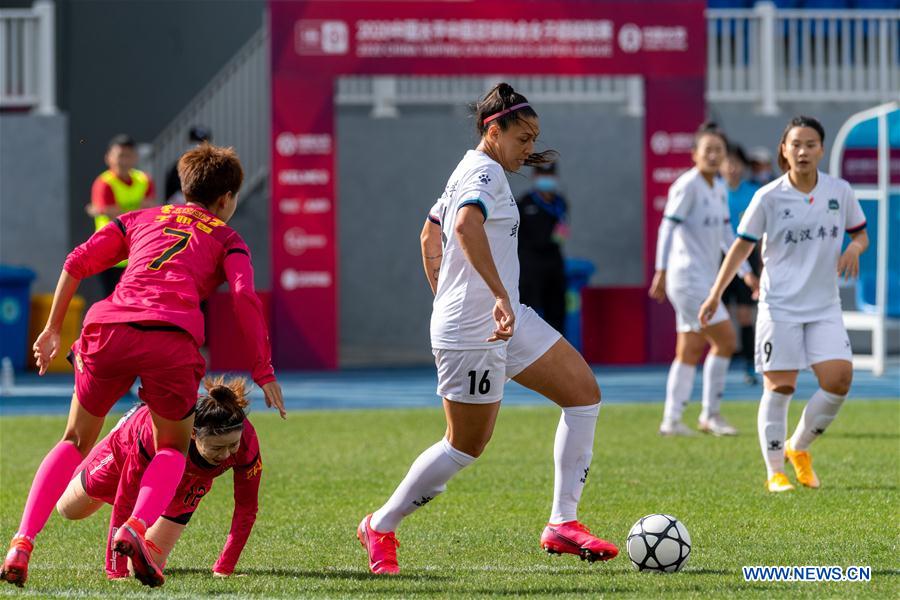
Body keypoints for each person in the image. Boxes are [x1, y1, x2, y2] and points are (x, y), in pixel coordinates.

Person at [357, 83, 618, 576]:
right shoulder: (482, 171)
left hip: (505, 319)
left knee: (583, 395)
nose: (529, 146)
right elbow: (462, 228)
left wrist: (449, 289)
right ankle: (380, 524)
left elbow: (429, 230)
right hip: (477, 327)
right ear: (492, 130)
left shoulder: (471, 170)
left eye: (534, 137)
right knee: (464, 446)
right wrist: (491, 296)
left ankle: (563, 522)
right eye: (523, 137)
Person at [1, 144, 285, 589]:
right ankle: (136, 526)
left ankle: (21, 541)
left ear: (184, 186)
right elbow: (245, 296)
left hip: (108, 327)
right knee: (171, 447)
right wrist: (263, 370)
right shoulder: (228, 238)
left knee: (74, 439)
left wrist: (53, 329)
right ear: (227, 199)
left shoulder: (142, 217)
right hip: (170, 339)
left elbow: (76, 261)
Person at [699, 116, 868, 493]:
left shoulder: (839, 191)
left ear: (821, 150)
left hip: (824, 306)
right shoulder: (768, 197)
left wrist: (855, 247)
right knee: (780, 388)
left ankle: (798, 447)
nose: (803, 151)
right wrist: (714, 293)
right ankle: (775, 471)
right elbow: (741, 246)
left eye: (811, 144)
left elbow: (861, 234)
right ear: (784, 150)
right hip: (780, 307)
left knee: (838, 381)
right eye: (796, 144)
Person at [56, 377, 261, 579]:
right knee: (68, 509)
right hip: (126, 451)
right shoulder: (159, 433)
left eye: (232, 446)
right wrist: (116, 572)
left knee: (139, 567)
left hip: (192, 480)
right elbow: (125, 498)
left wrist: (224, 568)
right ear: (192, 434)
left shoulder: (246, 443)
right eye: (217, 447)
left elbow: (246, 508)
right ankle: (108, 441)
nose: (226, 454)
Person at [649, 122, 757, 437]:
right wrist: (661, 270)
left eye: (718, 151)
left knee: (690, 348)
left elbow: (727, 235)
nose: (713, 155)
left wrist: (746, 272)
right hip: (687, 279)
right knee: (726, 340)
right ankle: (710, 414)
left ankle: (671, 420)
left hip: (705, 280)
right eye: (707, 150)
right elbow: (667, 228)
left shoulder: (719, 187)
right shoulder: (687, 185)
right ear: (695, 154)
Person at [86, 135, 157, 297]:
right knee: (111, 302)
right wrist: (138, 209)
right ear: (108, 158)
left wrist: (115, 210)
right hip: (109, 255)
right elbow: (115, 217)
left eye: (128, 155)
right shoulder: (104, 183)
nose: (124, 161)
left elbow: (150, 210)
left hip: (137, 254)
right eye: (120, 156)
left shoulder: (144, 179)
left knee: (137, 301)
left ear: (135, 158)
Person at [720, 144, 762, 385]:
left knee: (745, 316)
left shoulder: (754, 193)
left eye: (736, 163)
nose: (732, 168)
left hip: (747, 258)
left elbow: (763, 231)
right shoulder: (715, 192)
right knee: (721, 316)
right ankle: (720, 365)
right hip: (720, 260)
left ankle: (749, 365)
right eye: (728, 163)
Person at [517, 162, 569, 335]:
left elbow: (562, 231)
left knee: (556, 312)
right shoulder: (523, 203)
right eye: (542, 175)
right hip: (530, 267)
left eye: (550, 175)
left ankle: (556, 358)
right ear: (535, 176)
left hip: (554, 265)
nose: (546, 179)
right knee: (528, 314)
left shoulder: (561, 203)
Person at [165, 126, 212, 205]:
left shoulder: (214, 167)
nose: (197, 146)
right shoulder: (177, 166)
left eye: (201, 143)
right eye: (194, 142)